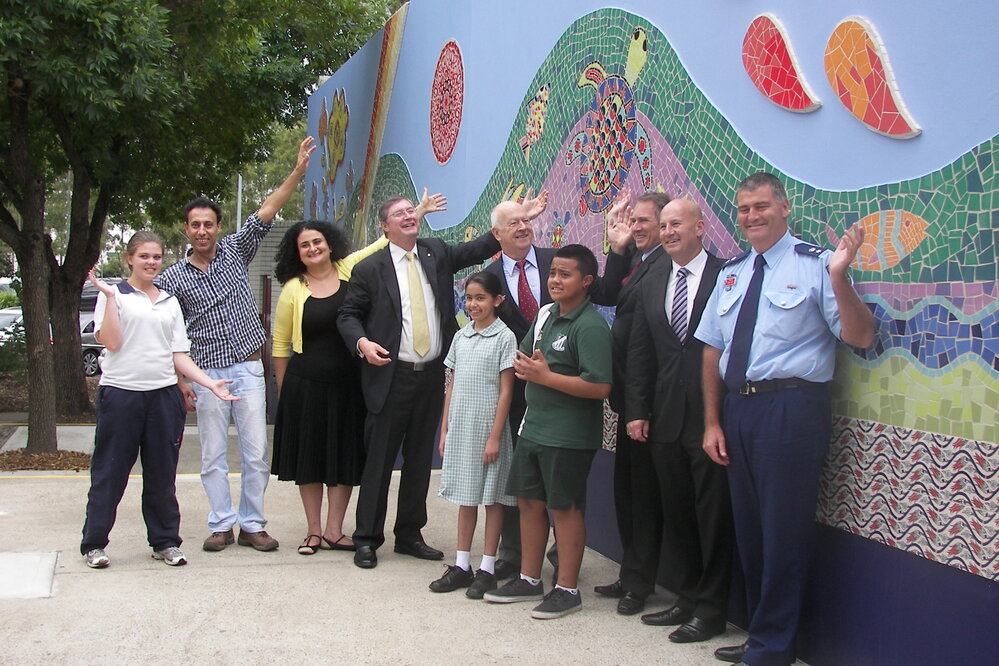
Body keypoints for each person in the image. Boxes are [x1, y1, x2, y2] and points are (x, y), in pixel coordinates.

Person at [694, 173, 874, 665]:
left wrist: (840, 276)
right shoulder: (732, 272)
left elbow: (859, 336)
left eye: (761, 207)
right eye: (744, 209)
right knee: (751, 531)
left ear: (784, 208)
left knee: (782, 531)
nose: (752, 216)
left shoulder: (815, 265)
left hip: (791, 409)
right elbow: (712, 350)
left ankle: (773, 647)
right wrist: (712, 421)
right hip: (739, 410)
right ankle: (762, 634)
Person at [337, 192, 519, 569]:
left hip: (431, 376)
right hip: (390, 376)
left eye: (410, 211)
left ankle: (409, 534)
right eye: (399, 214)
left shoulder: (435, 252)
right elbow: (348, 314)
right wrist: (362, 342)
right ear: (385, 226)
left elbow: (478, 248)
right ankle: (367, 538)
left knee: (420, 460)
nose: (408, 216)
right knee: (380, 462)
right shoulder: (369, 269)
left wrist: (510, 223)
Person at [157, 137, 315, 553]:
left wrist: (298, 171)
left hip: (248, 369)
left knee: (255, 454)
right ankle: (221, 524)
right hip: (207, 376)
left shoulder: (234, 251)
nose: (203, 230)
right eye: (195, 224)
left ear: (218, 227)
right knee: (212, 455)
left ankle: (252, 524)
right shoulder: (171, 278)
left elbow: (268, 209)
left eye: (209, 223)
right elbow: (161, 328)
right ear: (187, 229)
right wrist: (181, 378)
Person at [483, 192, 632, 581]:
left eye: (526, 221)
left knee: (564, 500)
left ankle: (564, 575)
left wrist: (618, 249)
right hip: (526, 405)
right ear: (497, 234)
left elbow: (605, 292)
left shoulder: (560, 267)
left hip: (566, 416)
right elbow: (514, 343)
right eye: (513, 222)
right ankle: (520, 565)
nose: (523, 227)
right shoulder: (495, 277)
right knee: (527, 495)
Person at [81, 232, 239, 569]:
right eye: (144, 257)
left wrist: (211, 384)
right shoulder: (114, 294)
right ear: (129, 258)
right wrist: (110, 299)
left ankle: (165, 541)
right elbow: (110, 341)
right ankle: (94, 543)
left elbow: (179, 354)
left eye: (156, 256)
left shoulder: (169, 301)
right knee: (110, 473)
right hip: (121, 395)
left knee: (161, 475)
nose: (151, 262)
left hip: (163, 396)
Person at [624, 199, 734, 643]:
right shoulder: (654, 281)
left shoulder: (728, 275)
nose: (668, 232)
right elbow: (640, 352)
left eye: (676, 224)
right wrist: (636, 411)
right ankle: (686, 599)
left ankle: (711, 610)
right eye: (663, 225)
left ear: (700, 228)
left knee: (712, 516)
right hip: (664, 419)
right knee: (678, 514)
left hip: (713, 418)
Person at [484, 244, 613, 620]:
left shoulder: (591, 326)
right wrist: (531, 368)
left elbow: (601, 387)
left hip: (569, 435)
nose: (555, 280)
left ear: (587, 281)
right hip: (533, 428)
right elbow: (524, 359)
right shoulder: (544, 316)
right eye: (553, 273)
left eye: (565, 274)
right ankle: (529, 577)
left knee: (565, 508)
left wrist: (548, 376)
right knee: (529, 503)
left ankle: (567, 588)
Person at [270, 220, 387, 555]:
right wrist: (283, 391)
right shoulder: (293, 287)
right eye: (304, 245)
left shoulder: (348, 269)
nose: (312, 249)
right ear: (298, 253)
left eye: (317, 242)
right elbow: (280, 345)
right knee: (310, 459)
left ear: (330, 244)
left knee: (344, 458)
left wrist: (418, 212)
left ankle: (335, 531)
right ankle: (313, 531)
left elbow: (380, 243)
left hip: (349, 385)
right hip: (304, 386)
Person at [592, 191, 673, 616]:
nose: (638, 226)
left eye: (645, 221)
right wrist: (617, 246)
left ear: (666, 223)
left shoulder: (667, 264)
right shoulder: (642, 261)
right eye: (634, 220)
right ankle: (630, 573)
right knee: (625, 492)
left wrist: (639, 406)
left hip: (649, 405)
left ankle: (640, 583)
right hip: (628, 401)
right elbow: (608, 295)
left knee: (642, 497)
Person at [428, 271, 517, 599]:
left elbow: (506, 392)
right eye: (469, 298)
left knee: (492, 499)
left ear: (497, 300)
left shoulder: (504, 338)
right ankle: (462, 565)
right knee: (467, 497)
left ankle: (488, 569)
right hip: (462, 429)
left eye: (480, 297)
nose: (473, 304)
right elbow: (450, 384)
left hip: (489, 430)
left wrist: (495, 436)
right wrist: (445, 426)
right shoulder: (461, 337)